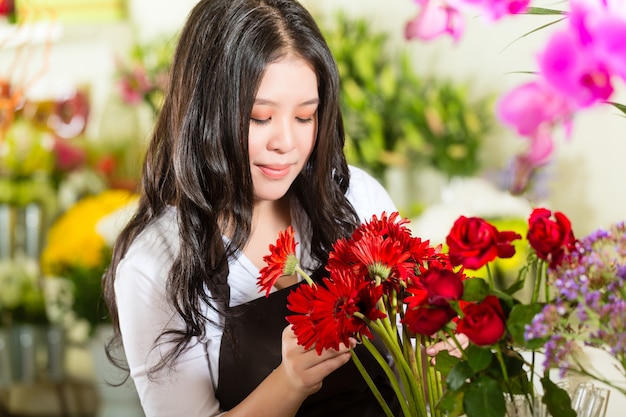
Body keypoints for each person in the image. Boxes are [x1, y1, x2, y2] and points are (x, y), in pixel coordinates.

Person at [103, 0, 466, 416]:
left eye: (305, 117)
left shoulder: (355, 198)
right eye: (260, 118)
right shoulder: (157, 265)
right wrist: (290, 381)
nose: (286, 143)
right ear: (205, 114)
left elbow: (415, 369)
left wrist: (445, 351)